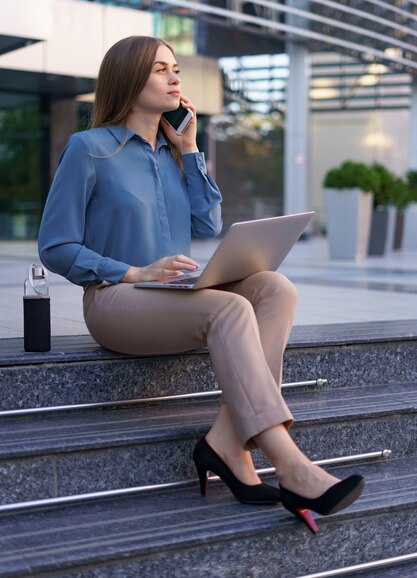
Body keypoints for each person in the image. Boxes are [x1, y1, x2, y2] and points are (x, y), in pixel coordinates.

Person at [38, 35, 364, 534]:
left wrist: (189, 150)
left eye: (176, 70)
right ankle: (291, 463)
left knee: (275, 287)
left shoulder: (175, 152)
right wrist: (134, 272)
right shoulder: (89, 149)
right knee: (230, 311)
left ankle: (226, 442)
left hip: (175, 296)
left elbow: (209, 225)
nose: (174, 78)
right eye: (159, 70)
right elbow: (55, 246)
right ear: (128, 79)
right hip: (114, 301)